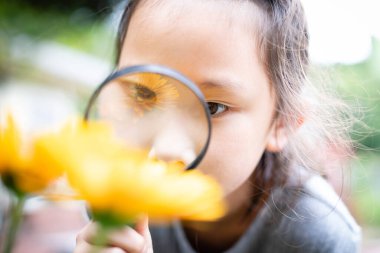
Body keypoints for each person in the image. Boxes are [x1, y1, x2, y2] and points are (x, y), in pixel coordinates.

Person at [74, 0, 361, 252]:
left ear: (282, 123)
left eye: (212, 108)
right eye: (142, 94)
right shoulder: (116, 200)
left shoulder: (315, 235)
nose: (165, 148)